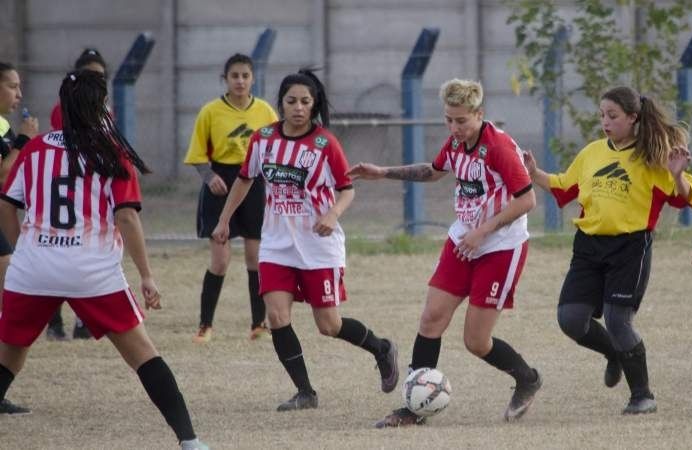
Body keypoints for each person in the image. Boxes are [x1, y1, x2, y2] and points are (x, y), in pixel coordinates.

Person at [0, 70, 209, 450]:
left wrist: (23, 250)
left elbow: (6, 205)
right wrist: (146, 275)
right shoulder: (111, 152)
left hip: (32, 270)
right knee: (144, 356)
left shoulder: (34, 148)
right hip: (90, 271)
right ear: (100, 108)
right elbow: (127, 217)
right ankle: (190, 441)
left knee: (9, 359)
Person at [347, 78, 541, 427]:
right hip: (463, 239)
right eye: (449, 120)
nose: (454, 127)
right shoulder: (455, 141)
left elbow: (527, 199)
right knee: (431, 318)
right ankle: (414, 409)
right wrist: (384, 172)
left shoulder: (498, 146)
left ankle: (527, 378)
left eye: (462, 120)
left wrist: (483, 231)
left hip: (500, 246)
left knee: (476, 341)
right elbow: (433, 172)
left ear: (480, 114)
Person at [211, 69, 400, 411]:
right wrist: (224, 220)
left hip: (317, 246)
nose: (298, 107)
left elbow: (347, 190)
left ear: (314, 106)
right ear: (280, 104)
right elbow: (244, 180)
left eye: (305, 102)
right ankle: (305, 393)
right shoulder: (262, 139)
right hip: (276, 244)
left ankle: (381, 348)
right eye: (291, 101)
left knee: (329, 325)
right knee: (277, 317)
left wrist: (332, 214)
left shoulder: (325, 143)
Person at [523, 86, 692, 415]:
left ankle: (642, 395)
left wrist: (677, 175)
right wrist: (534, 173)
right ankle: (613, 354)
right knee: (571, 319)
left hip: (630, 248)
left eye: (613, 116)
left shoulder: (652, 157)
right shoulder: (592, 152)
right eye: (602, 115)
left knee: (619, 322)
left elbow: (683, 198)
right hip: (589, 247)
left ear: (633, 118)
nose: (605, 121)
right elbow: (563, 184)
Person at [184, 53, 278, 343]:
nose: (240, 81)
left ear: (253, 79)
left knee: (255, 257)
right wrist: (209, 176)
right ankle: (205, 325)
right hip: (221, 184)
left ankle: (258, 323)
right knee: (221, 260)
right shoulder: (210, 112)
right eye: (234, 75)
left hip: (255, 184)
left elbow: (276, 149)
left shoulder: (265, 112)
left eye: (245, 75)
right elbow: (198, 155)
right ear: (225, 79)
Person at [46, 48, 108, 341]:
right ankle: (54, 323)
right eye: (92, 75)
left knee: (87, 263)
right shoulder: (63, 110)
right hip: (68, 194)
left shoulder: (105, 109)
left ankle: (85, 323)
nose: (97, 81)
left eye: (101, 76)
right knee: (58, 263)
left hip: (90, 198)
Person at [0, 62, 38, 316]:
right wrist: (24, 140)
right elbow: (3, 175)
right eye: (12, 86)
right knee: (7, 268)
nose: (19, 94)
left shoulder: (3, 126)